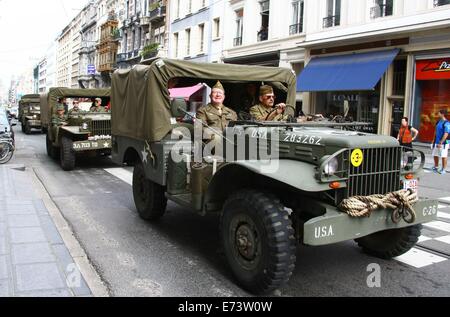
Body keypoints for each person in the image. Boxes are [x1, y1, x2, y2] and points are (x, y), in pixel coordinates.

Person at [432, 109, 450, 175]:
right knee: (435, 154)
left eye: (439, 113)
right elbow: (435, 131)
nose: (438, 114)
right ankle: (436, 167)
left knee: (443, 156)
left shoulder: (447, 123)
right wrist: (433, 140)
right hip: (436, 142)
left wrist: (441, 142)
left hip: (444, 143)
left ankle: (443, 169)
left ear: (442, 114)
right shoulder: (438, 122)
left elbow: (446, 133)